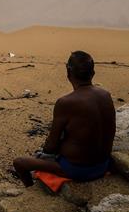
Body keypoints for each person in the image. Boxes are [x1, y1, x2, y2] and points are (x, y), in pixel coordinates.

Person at [12, 51, 115, 186]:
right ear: (93, 73)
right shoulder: (105, 95)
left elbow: (51, 146)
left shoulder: (66, 102)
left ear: (68, 72)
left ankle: (30, 191)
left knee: (19, 162)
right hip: (104, 163)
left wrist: (46, 154)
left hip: (79, 170)